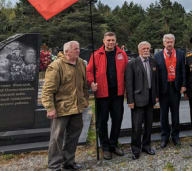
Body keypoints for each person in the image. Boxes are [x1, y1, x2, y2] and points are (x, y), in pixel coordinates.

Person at [41, 41, 89, 171]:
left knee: (73, 136)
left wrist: (86, 98)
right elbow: (47, 90)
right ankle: (54, 166)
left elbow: (84, 84)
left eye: (78, 48)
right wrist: (50, 108)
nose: (78, 51)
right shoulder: (56, 66)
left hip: (77, 107)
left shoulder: (80, 63)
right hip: (61, 108)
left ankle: (69, 162)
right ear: (67, 51)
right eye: (75, 49)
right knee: (57, 138)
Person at [87, 32, 128, 160]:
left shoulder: (122, 54)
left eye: (113, 40)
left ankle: (113, 144)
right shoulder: (96, 55)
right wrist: (91, 82)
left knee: (117, 119)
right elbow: (89, 71)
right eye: (108, 40)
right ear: (103, 41)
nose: (111, 42)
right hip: (102, 94)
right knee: (102, 121)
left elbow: (127, 71)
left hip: (118, 94)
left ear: (116, 41)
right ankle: (105, 147)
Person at [125, 41, 159, 160]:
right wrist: (130, 100)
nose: (146, 50)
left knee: (149, 125)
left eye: (148, 48)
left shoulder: (153, 62)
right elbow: (129, 83)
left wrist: (156, 95)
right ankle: (135, 149)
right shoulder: (132, 63)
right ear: (139, 50)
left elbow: (156, 81)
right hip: (137, 99)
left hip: (150, 99)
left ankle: (146, 146)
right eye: (144, 48)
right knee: (137, 126)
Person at [154, 34, 186, 148]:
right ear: (163, 43)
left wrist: (184, 85)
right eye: (167, 42)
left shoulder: (181, 54)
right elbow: (155, 76)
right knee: (163, 115)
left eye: (171, 41)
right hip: (163, 88)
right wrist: (156, 92)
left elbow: (183, 70)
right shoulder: (157, 56)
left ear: (174, 42)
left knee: (175, 114)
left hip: (175, 88)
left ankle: (175, 136)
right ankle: (164, 137)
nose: (169, 43)